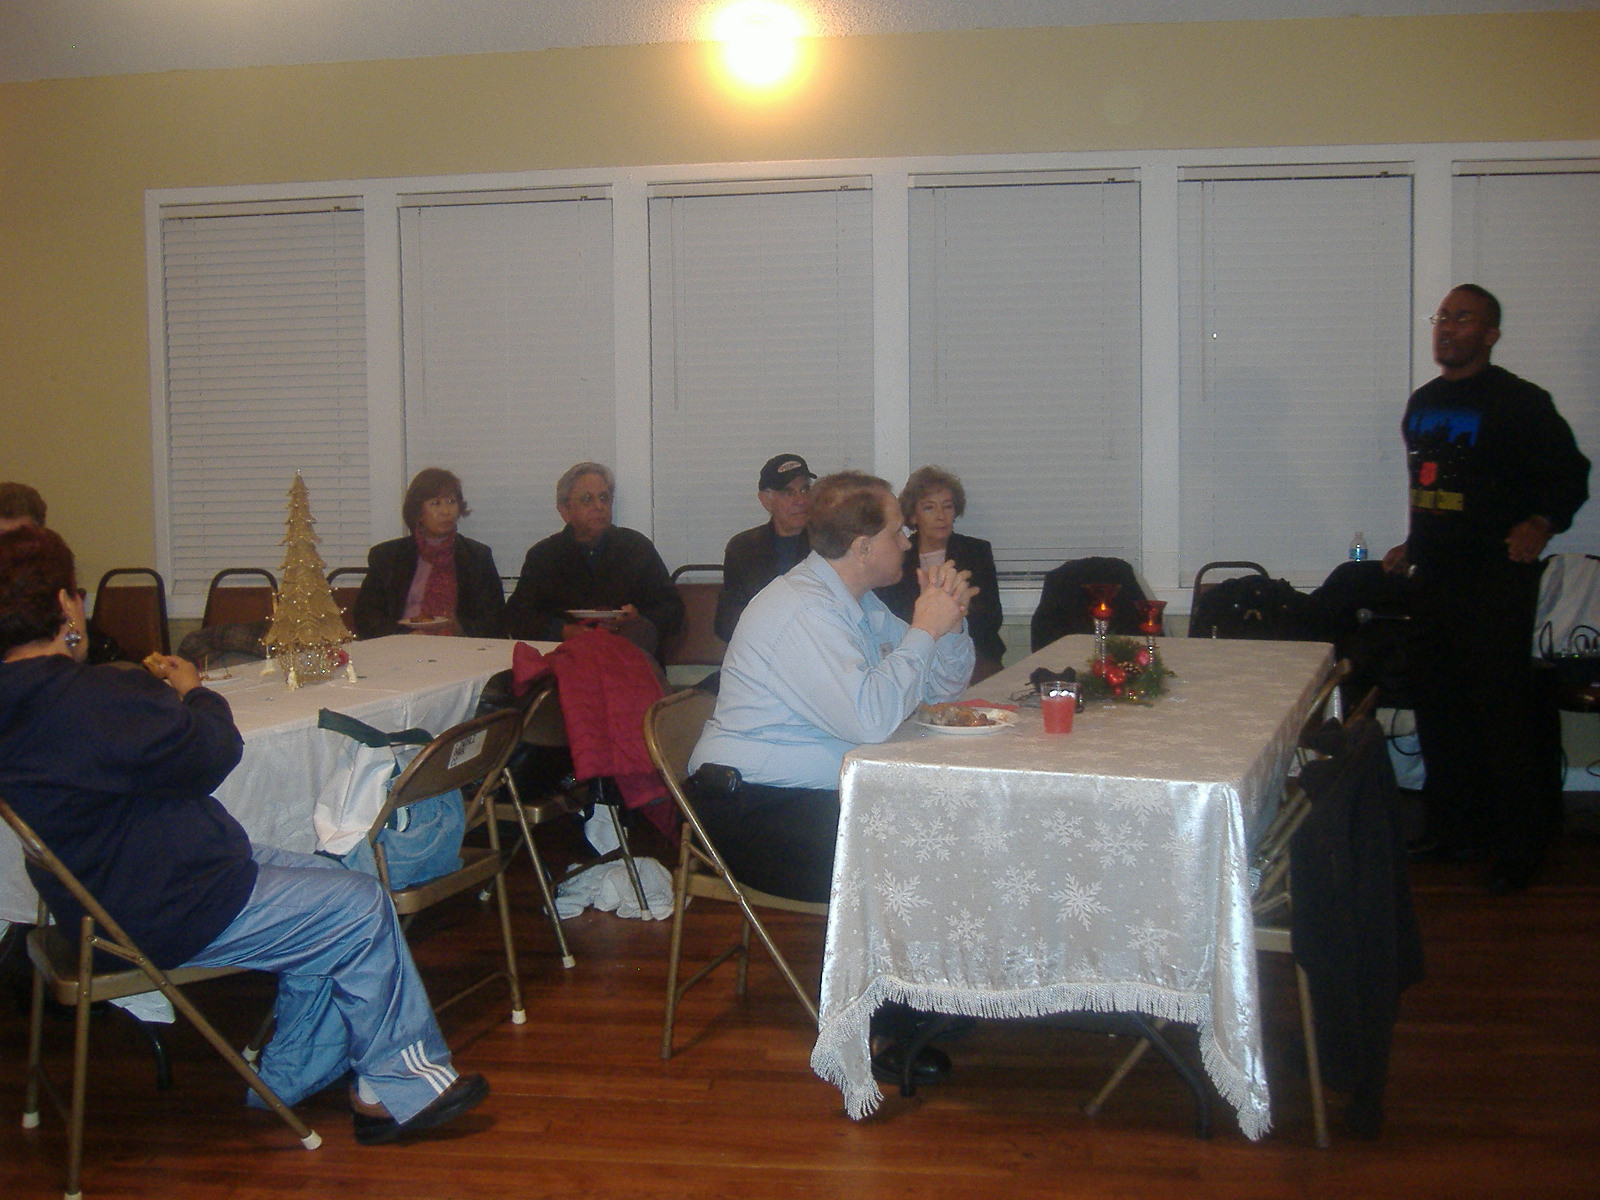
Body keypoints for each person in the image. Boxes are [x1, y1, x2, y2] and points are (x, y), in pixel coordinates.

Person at [0, 525, 489, 1143]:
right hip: (168, 905)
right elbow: (212, 752)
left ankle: (295, 1070)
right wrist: (194, 692)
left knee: (336, 877)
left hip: (103, 901)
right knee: (360, 904)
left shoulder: (24, 703)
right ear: (65, 604)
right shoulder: (94, 697)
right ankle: (397, 1090)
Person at [1382, 284, 1589, 894]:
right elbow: (1439, 492)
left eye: (1463, 318)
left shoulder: (1521, 403)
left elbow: (1571, 474)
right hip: (1434, 580)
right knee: (1441, 711)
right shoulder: (1423, 403)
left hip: (1495, 580)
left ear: (1491, 334)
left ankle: (1518, 848)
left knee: (1502, 717)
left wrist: (1541, 522)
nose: (1447, 327)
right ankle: (1454, 831)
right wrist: (1412, 545)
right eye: (1443, 317)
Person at [689, 471, 975, 903]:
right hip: (752, 809)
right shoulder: (803, 610)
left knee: (955, 822)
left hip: (809, 793)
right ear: (863, 548)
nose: (907, 543)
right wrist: (924, 631)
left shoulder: (856, 600)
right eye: (897, 531)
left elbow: (942, 688)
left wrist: (948, 625)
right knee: (938, 850)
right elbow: (871, 721)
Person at [505, 462, 683, 658]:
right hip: (566, 660)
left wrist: (638, 619)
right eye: (587, 499)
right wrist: (563, 631)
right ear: (564, 510)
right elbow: (518, 617)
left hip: (629, 660)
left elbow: (672, 610)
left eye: (604, 498)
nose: (599, 506)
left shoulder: (637, 548)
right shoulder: (544, 556)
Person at [874, 466, 1005, 682]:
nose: (941, 516)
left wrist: (951, 619)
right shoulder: (898, 555)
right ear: (913, 516)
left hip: (974, 655)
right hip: (913, 653)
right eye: (929, 508)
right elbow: (891, 614)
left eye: (947, 507)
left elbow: (991, 617)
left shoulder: (976, 551)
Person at [351, 468, 505, 639]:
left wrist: (460, 628)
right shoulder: (388, 556)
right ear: (418, 511)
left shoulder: (477, 556)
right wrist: (404, 635)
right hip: (401, 647)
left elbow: (496, 620)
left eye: (451, 501)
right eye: (436, 503)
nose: (445, 511)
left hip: (460, 647)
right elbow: (366, 617)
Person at [714, 453, 815, 644]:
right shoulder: (743, 549)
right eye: (788, 493)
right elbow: (726, 622)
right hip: (762, 647)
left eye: (804, 490)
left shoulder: (830, 542)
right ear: (766, 500)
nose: (801, 500)